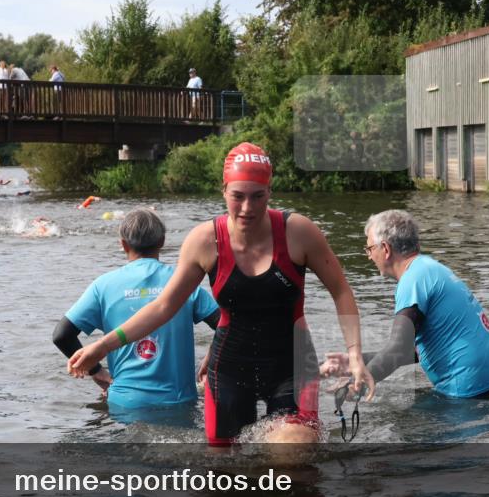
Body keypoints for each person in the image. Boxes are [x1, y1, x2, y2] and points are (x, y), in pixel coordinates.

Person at [68, 143, 375, 445]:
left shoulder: (299, 232)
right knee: (224, 466)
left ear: (270, 192)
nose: (247, 208)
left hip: (291, 364)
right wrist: (102, 346)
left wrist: (355, 355)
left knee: (293, 449)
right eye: (238, 196)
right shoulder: (205, 241)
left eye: (258, 196)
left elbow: (341, 291)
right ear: (224, 191)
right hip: (230, 367)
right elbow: (164, 307)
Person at [321, 210, 489, 399]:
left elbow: (399, 348)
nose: (369, 256)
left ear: (386, 249)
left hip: (470, 392)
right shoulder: (431, 269)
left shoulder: (412, 280)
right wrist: (355, 362)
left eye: (370, 249)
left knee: (395, 414)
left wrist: (356, 385)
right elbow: (414, 351)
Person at [54, 209, 220, 414]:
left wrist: (96, 371)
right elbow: (225, 324)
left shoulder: (103, 286)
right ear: (162, 241)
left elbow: (62, 335)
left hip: (124, 403)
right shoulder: (184, 281)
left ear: (123, 244)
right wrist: (212, 357)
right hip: (179, 401)